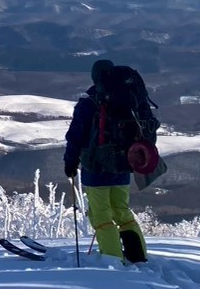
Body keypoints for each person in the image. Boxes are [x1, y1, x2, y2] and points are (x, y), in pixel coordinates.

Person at [63, 59, 151, 264]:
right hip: (123, 165)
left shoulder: (89, 103)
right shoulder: (130, 100)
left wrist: (70, 162)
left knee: (101, 216)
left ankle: (112, 258)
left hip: (96, 168)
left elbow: (75, 136)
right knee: (122, 211)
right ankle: (138, 255)